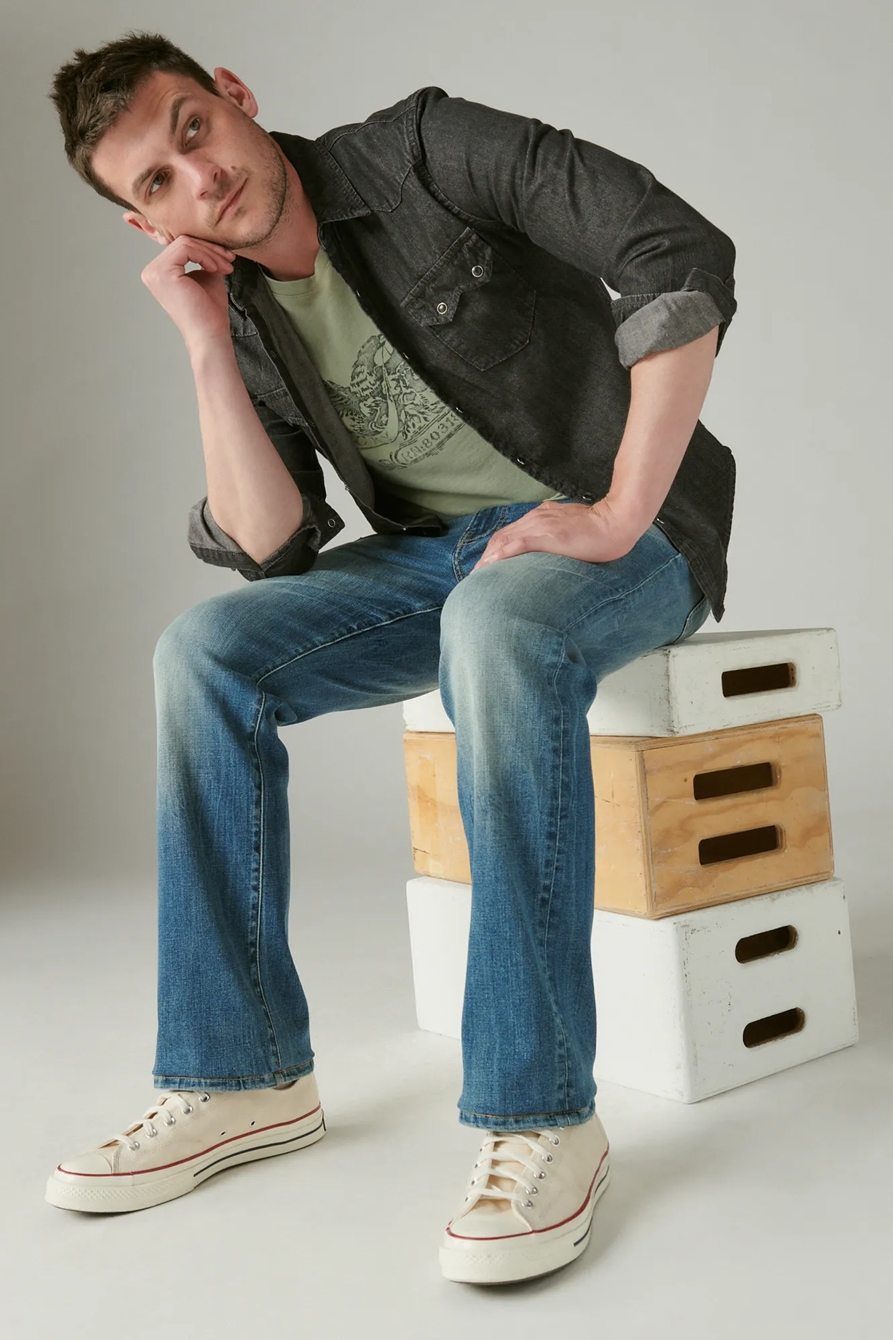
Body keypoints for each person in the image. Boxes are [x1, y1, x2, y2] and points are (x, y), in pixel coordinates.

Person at [45, 30, 736, 1285]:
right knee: (203, 652)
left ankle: (541, 1113)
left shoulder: (419, 150)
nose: (200, 177)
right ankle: (243, 1074)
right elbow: (270, 541)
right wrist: (203, 337)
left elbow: (673, 249)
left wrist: (618, 509)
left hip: (624, 524)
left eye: (194, 130)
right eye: (157, 182)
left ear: (234, 98)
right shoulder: (239, 308)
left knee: (494, 622)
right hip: (443, 557)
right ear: (147, 226)